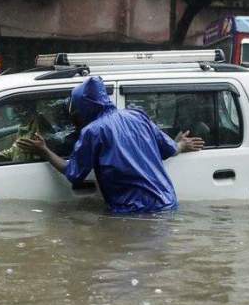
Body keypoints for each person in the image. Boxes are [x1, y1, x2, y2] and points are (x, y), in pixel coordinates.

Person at [17, 77, 204, 213]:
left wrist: (44, 150)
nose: (74, 116)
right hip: (167, 203)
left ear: (84, 107)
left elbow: (73, 173)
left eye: (75, 111)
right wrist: (180, 144)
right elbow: (169, 148)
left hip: (133, 213)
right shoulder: (137, 116)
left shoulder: (93, 132)